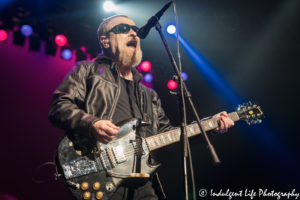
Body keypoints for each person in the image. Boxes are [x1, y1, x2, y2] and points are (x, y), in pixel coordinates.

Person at [48, 15, 234, 200]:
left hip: (143, 184)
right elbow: (59, 106)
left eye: (135, 31)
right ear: (105, 41)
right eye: (122, 29)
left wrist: (209, 127)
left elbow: (169, 136)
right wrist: (92, 124)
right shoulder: (87, 71)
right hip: (101, 176)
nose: (133, 33)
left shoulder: (148, 94)